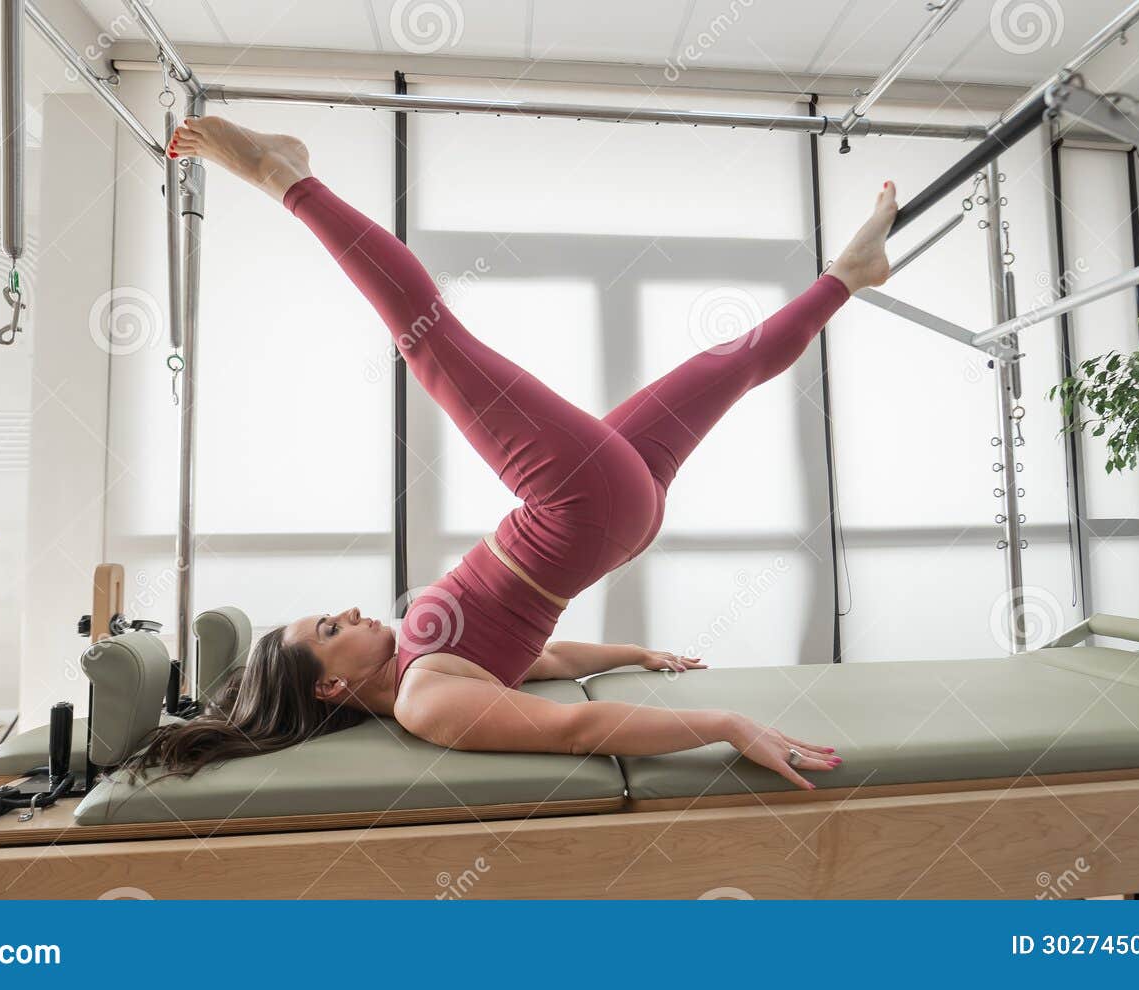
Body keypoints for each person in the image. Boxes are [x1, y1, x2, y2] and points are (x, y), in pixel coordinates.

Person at [132, 116, 897, 790]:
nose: (350, 613)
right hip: (574, 509)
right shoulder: (426, 700)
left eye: (329, 616)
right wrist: (726, 723)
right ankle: (285, 175)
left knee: (718, 371)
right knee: (431, 340)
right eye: (331, 631)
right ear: (332, 688)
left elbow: (550, 662)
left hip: (605, 515)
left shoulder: (421, 665)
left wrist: (634, 651)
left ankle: (846, 278)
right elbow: (574, 730)